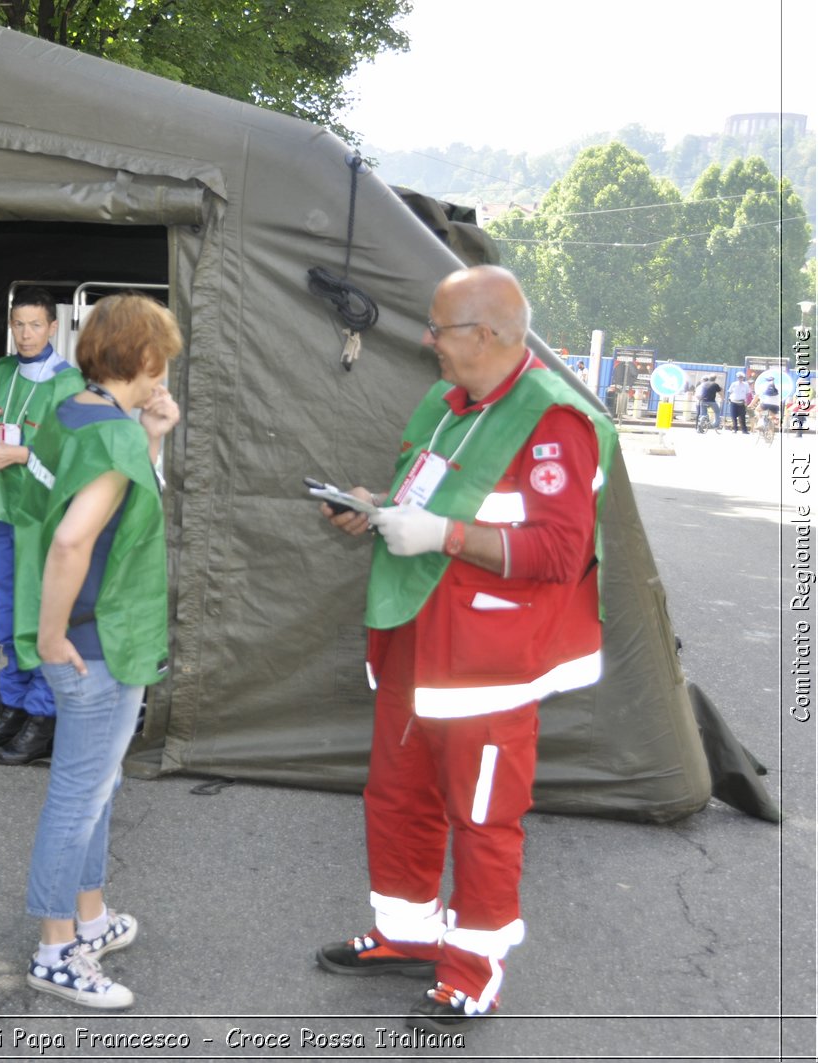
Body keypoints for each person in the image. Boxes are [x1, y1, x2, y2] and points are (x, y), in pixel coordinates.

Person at [314, 265, 615, 1033]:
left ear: (485, 334)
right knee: (398, 794)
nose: (426, 340)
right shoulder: (447, 404)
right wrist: (376, 510)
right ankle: (408, 935)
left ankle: (473, 972)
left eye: (438, 329)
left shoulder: (555, 422)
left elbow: (556, 550)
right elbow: (427, 498)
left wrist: (442, 535)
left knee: (484, 817)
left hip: (487, 665)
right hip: (417, 638)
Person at [10, 292, 182, 1008]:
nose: (166, 371)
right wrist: (52, 635)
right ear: (142, 357)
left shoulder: (76, 412)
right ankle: (55, 948)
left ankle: (90, 915)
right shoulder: (110, 433)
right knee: (80, 793)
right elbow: (77, 538)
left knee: (97, 783)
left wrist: (151, 436)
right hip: (97, 639)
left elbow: (101, 510)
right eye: (162, 358)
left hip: (91, 630)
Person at [0, 287, 84, 765]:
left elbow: (73, 461)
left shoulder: (69, 383)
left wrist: (20, 454)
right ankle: (14, 707)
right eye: (19, 325)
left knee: (40, 615)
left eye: (35, 325)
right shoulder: (0, 373)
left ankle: (43, 716)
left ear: (54, 327)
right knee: (5, 613)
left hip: (41, 515)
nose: (26, 334)